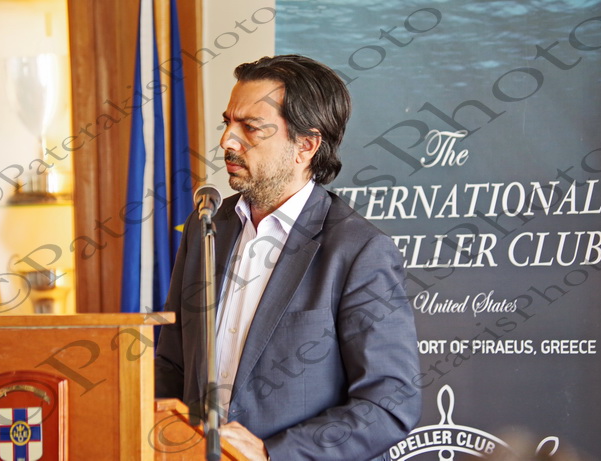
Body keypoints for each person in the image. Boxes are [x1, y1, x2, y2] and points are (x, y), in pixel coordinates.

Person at [155, 54, 421, 460]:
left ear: (306, 146)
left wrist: (271, 453)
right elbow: (173, 363)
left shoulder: (358, 250)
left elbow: (388, 404)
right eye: (227, 123)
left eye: (250, 128)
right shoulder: (206, 226)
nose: (227, 141)